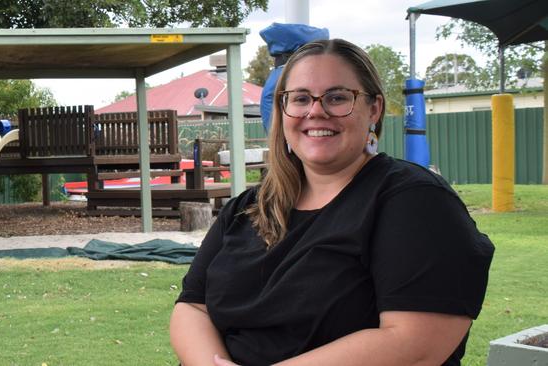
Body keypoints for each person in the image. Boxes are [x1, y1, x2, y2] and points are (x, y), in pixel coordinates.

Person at [170, 39, 494, 366]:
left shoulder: (416, 201)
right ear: (283, 111)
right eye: (299, 99)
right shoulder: (247, 206)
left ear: (374, 109)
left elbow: (417, 344)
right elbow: (193, 307)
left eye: (337, 97)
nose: (315, 111)